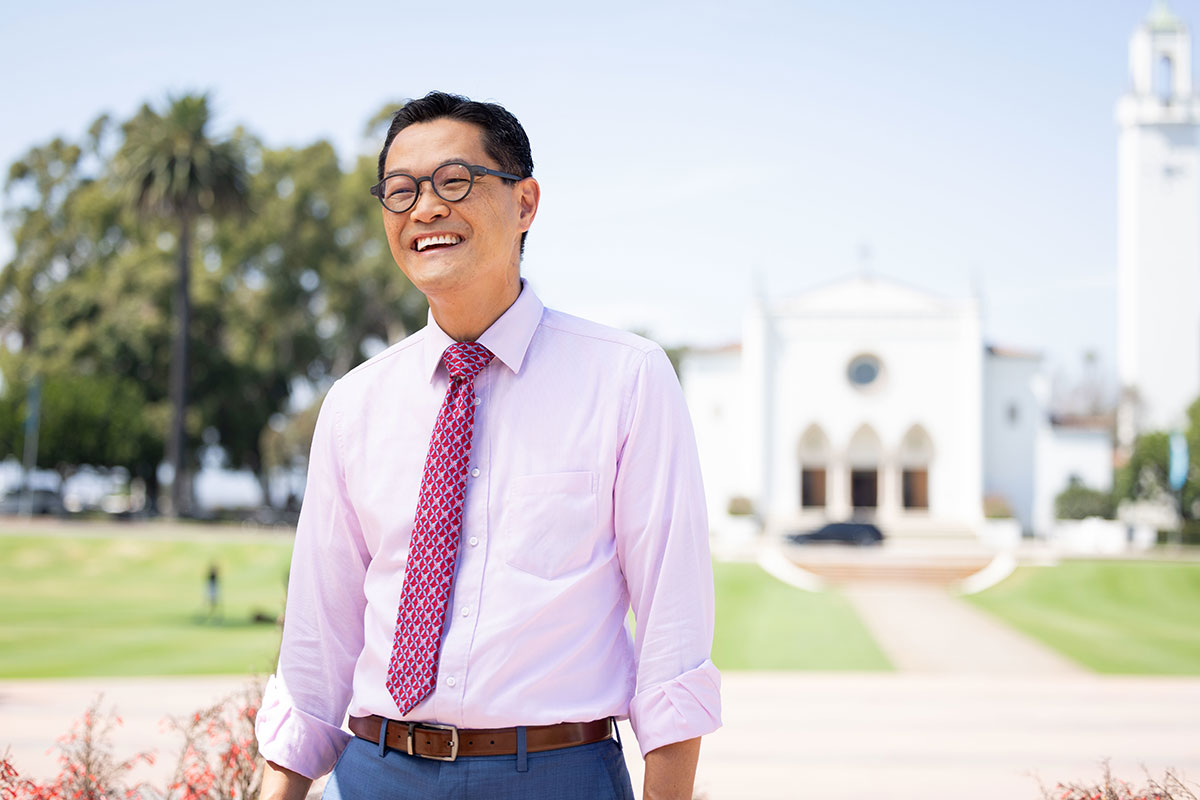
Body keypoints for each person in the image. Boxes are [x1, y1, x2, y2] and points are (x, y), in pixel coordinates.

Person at [255, 91, 721, 800]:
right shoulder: (355, 404)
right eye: (401, 191)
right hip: (377, 773)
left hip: (559, 775)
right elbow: (317, 643)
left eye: (454, 182)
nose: (425, 209)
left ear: (525, 204)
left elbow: (674, 632)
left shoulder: (626, 378)